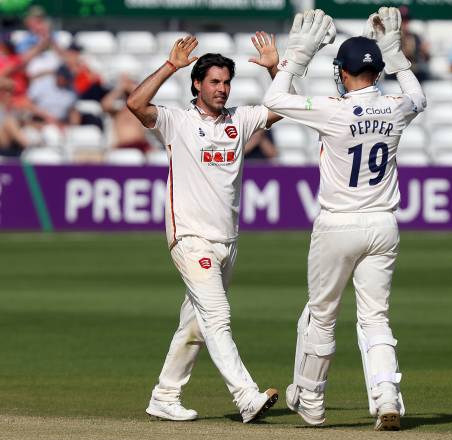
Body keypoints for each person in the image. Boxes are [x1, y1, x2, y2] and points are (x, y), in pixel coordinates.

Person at [263, 8, 426, 431]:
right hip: (383, 224)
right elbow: (420, 98)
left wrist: (295, 59)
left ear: (344, 72)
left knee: (322, 314)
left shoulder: (333, 110)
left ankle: (313, 402)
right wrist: (397, 56)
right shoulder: (394, 106)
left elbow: (274, 99)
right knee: (375, 317)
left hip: (338, 223)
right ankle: (386, 395)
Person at [127, 33, 284, 423]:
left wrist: (275, 69)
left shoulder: (240, 120)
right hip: (190, 237)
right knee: (217, 317)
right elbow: (135, 104)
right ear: (197, 84)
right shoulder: (177, 121)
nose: (222, 89)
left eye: (226, 82)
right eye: (214, 82)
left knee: (195, 324)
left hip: (227, 240)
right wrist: (170, 66)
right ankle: (246, 396)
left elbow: (288, 108)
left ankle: (165, 395)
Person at [101, 74, 151, 152]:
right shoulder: (118, 111)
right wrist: (120, 88)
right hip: (123, 146)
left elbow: (146, 99)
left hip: (140, 146)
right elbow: (105, 105)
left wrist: (131, 87)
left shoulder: (140, 109)